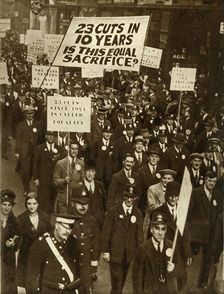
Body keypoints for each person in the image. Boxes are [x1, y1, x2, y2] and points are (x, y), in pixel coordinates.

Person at [150, 181, 192, 291]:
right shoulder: (158, 211)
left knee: (181, 282)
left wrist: (188, 254)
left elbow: (186, 234)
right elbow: (153, 235)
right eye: (171, 196)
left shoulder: (182, 212)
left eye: (176, 196)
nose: (173, 199)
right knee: (165, 282)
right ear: (166, 196)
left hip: (180, 252)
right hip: (165, 252)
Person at [102, 184, 143, 294]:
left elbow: (139, 236)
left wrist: (140, 253)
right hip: (115, 253)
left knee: (122, 282)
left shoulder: (137, 213)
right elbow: (106, 232)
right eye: (127, 196)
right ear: (123, 196)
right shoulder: (114, 211)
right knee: (117, 284)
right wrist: (105, 251)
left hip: (129, 254)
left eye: (131, 197)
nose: (129, 199)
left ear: (135, 198)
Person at [26, 214, 81, 294]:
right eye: (65, 227)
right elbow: (32, 277)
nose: (67, 231)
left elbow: (78, 270)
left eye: (70, 228)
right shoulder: (41, 244)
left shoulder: (73, 242)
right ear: (57, 225)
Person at [132, 213, 185, 294]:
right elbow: (137, 278)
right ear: (151, 229)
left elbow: (181, 271)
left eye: (163, 229)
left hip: (168, 290)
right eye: (157, 228)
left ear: (166, 231)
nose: (160, 232)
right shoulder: (143, 249)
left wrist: (174, 268)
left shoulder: (171, 246)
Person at [189, 170, 223, 289]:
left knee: (208, 259)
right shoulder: (196, 193)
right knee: (194, 258)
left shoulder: (218, 195)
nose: (211, 183)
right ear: (205, 180)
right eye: (209, 181)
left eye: (214, 181)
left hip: (212, 233)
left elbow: (220, 213)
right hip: (197, 233)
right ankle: (190, 283)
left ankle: (202, 283)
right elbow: (190, 212)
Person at [69, 184, 101, 294]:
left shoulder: (92, 221)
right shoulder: (67, 220)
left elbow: (96, 243)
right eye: (80, 203)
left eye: (86, 204)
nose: (83, 207)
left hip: (86, 265)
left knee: (86, 289)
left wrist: (94, 266)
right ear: (73, 203)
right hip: (70, 263)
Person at [16, 192, 52, 289]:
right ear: (26, 204)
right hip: (26, 253)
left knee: (43, 278)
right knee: (28, 279)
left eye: (34, 203)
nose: (32, 206)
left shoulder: (45, 217)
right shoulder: (20, 219)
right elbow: (17, 238)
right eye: (29, 203)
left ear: (38, 204)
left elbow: (50, 233)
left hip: (42, 252)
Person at [15, 105, 44, 195]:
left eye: (31, 113)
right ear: (25, 115)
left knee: (35, 170)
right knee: (26, 171)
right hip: (25, 152)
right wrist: (17, 152)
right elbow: (18, 139)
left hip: (35, 152)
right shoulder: (21, 125)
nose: (29, 115)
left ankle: (38, 190)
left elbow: (41, 138)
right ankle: (26, 188)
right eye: (27, 114)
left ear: (34, 114)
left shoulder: (38, 124)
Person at [33, 130, 63, 214]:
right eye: (49, 135)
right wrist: (35, 178)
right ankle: (42, 219)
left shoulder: (59, 149)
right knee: (42, 201)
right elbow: (34, 164)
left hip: (54, 180)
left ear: (55, 137)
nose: (50, 137)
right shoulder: (39, 148)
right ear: (46, 136)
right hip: (43, 180)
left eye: (52, 135)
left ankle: (48, 219)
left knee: (52, 200)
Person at [143, 169, 176, 240]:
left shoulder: (174, 190)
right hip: (155, 219)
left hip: (169, 221)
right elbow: (151, 206)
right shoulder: (153, 189)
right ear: (161, 178)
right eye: (164, 178)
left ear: (172, 179)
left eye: (168, 179)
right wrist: (166, 206)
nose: (166, 181)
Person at [53, 140, 84, 213]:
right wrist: (63, 180)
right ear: (68, 149)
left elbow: (83, 180)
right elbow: (55, 181)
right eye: (72, 148)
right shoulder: (60, 163)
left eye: (76, 149)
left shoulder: (82, 163)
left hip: (76, 198)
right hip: (64, 198)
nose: (74, 151)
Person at [1, 189, 20, 294]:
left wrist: (14, 244)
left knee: (8, 285)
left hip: (8, 259)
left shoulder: (15, 221)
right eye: (4, 204)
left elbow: (19, 238)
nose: (6, 207)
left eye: (9, 205)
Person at [82, 160, 106, 230]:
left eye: (92, 171)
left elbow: (104, 204)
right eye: (88, 171)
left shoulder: (100, 185)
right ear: (85, 172)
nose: (90, 174)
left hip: (98, 221)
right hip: (85, 221)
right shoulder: (79, 186)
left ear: (95, 173)